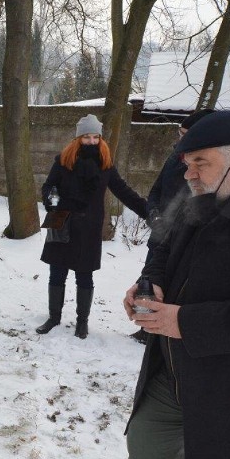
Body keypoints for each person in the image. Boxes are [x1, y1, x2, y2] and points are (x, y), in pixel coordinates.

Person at [87, 110, 230, 459]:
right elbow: (163, 244)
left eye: (200, 163)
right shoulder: (201, 196)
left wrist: (183, 321)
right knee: (149, 443)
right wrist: (150, 282)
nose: (189, 173)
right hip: (177, 368)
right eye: (187, 163)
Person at [36, 114, 148, 338]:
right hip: (62, 225)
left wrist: (148, 211)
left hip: (88, 229)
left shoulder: (105, 166)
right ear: (78, 139)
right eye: (86, 137)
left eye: (95, 137)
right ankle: (54, 317)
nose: (91, 141)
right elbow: (49, 186)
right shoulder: (62, 161)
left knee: (84, 276)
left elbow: (124, 192)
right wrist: (53, 199)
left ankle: (82, 322)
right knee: (56, 274)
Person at [130, 109, 214, 344]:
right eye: (180, 134)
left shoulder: (209, 172)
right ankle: (146, 327)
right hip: (159, 234)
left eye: (186, 135)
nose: (180, 141)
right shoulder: (173, 159)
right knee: (149, 282)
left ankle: (163, 333)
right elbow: (156, 190)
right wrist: (155, 214)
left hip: (181, 239)